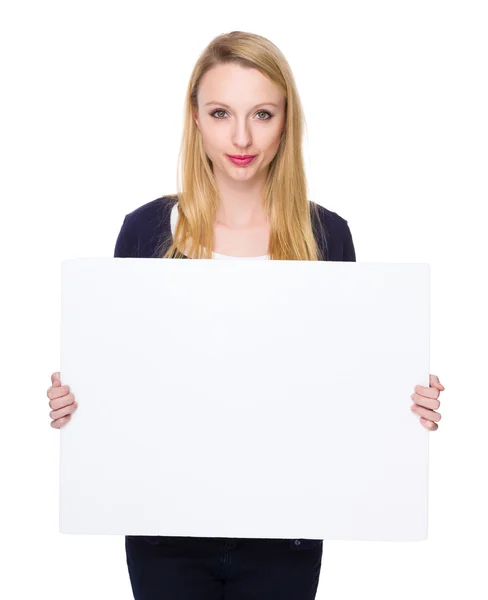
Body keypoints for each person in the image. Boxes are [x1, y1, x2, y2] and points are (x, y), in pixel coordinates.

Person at [46, 30, 444, 600]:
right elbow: (127, 379)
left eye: (261, 114)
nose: (240, 137)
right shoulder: (145, 231)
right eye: (220, 113)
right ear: (195, 120)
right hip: (166, 533)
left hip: (286, 535)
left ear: (286, 122)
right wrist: (79, 404)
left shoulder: (326, 235)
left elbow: (342, 389)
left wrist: (403, 409)